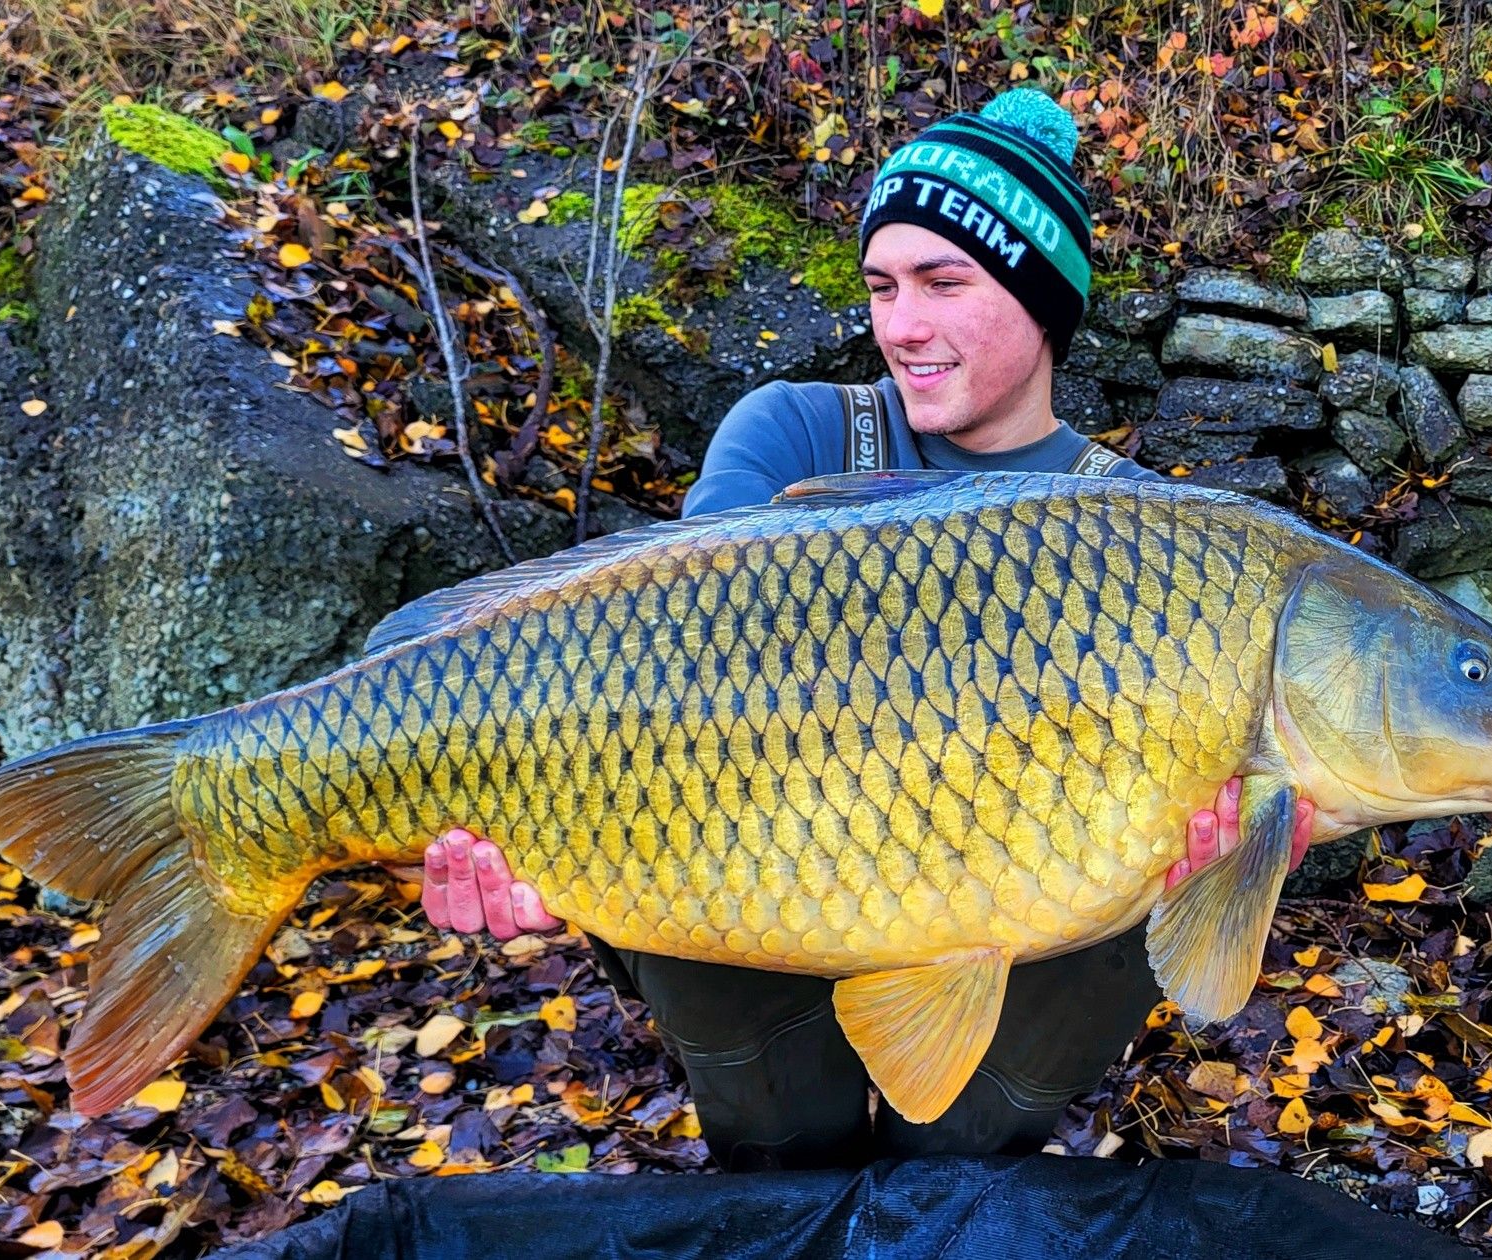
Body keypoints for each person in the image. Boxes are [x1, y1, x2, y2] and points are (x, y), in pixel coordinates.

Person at [410, 89, 1319, 1170]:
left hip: (1012, 948)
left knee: (960, 1176)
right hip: (752, 876)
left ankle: (947, 1193)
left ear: (1043, 304)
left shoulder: (1143, 534)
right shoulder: (794, 431)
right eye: (883, 286)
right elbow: (673, 652)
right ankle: (787, 1177)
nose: (900, 326)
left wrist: (1232, 858)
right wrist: (559, 842)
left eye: (945, 282)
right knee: (783, 1158)